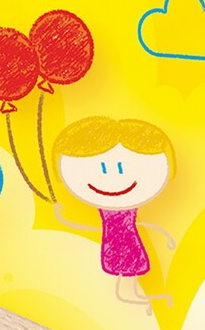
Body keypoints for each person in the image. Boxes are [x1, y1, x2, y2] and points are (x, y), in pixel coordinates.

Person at [52, 117, 176, 309]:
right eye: (102, 168)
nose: (113, 177)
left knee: (129, 275)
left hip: (126, 244)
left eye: (120, 168)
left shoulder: (130, 203)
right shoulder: (107, 207)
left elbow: (127, 224)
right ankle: (133, 295)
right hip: (116, 245)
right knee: (123, 279)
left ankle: (136, 295)